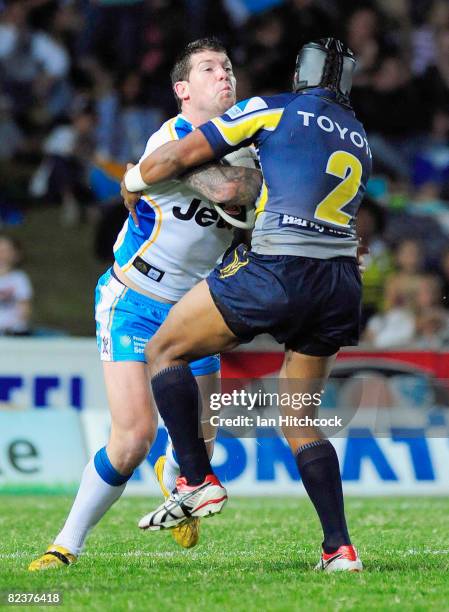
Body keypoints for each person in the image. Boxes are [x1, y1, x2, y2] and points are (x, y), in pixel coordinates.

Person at [123, 38, 372, 572]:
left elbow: (180, 157)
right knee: (299, 414)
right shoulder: (359, 137)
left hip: (280, 268)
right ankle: (339, 548)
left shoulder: (274, 107)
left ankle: (194, 478)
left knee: (165, 347)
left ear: (301, 70)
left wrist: (131, 178)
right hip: (341, 283)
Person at [28, 37, 262, 571]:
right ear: (183, 89)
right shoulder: (175, 137)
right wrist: (261, 186)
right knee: (133, 437)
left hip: (196, 308)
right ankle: (65, 546)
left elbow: (246, 189)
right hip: (135, 297)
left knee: (199, 448)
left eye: (227, 67)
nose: (223, 74)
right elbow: (230, 190)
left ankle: (176, 482)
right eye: (208, 68)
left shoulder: (253, 143)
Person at [0, 234, 32, 335]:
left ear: (14, 254)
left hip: (13, 332)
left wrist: (16, 326)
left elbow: (25, 307)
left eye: (6, 250)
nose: (1, 254)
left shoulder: (19, 278)